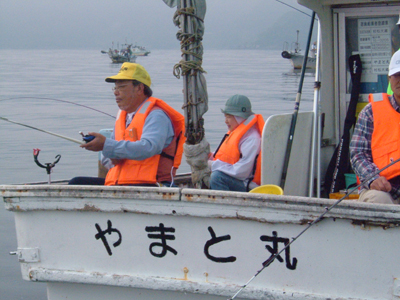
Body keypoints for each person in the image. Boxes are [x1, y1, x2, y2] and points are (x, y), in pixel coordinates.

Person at [69, 62, 185, 187]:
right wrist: (110, 154)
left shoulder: (156, 116)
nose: (116, 92)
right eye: (115, 88)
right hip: (122, 184)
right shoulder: (123, 117)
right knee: (76, 183)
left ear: (139, 88)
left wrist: (106, 145)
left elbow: (149, 147)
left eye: (122, 87)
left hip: (150, 184)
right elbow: (108, 160)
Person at [350, 49, 400, 204]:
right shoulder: (371, 112)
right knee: (378, 200)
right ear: (389, 79)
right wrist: (373, 178)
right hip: (384, 191)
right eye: (397, 75)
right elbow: (358, 153)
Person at [208, 94, 264, 192]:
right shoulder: (238, 133)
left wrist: (211, 165)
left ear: (239, 117)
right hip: (238, 178)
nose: (226, 121)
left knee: (217, 178)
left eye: (229, 117)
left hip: (247, 185)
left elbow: (241, 172)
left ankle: (225, 206)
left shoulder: (252, 139)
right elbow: (226, 158)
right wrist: (208, 156)